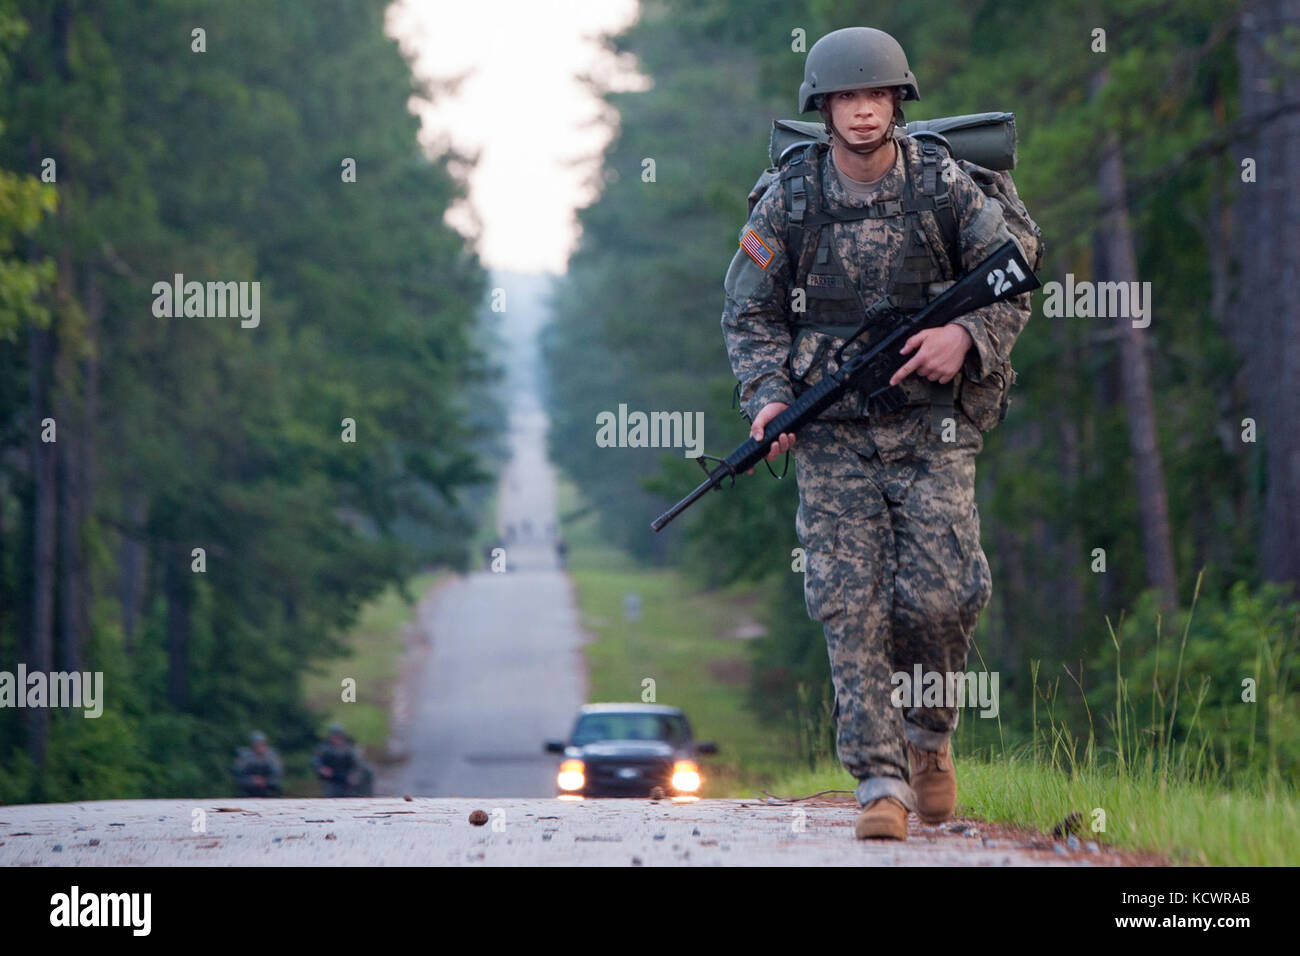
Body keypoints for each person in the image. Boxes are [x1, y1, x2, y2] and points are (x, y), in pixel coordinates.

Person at [720, 27, 1031, 840]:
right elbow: (749, 313)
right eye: (847, 100)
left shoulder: (943, 185)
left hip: (934, 424)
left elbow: (1011, 277)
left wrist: (965, 339)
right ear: (822, 110)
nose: (862, 113)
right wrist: (766, 399)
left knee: (944, 594)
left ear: (898, 103)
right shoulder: (790, 198)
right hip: (832, 434)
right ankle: (879, 782)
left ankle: (930, 739)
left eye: (876, 97)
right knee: (844, 600)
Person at [311, 723, 373, 797]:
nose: (337, 739)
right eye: (334, 737)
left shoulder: (350, 748)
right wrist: (321, 768)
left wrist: (354, 776)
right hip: (331, 779)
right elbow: (315, 760)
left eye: (339, 736)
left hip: (348, 778)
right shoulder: (324, 747)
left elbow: (358, 764)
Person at [233, 730, 283, 797]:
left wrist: (264, 781)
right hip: (249, 788)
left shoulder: (272, 756)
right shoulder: (245, 756)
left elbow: (277, 773)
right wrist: (253, 780)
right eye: (256, 744)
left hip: (268, 787)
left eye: (261, 744)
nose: (259, 746)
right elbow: (238, 772)